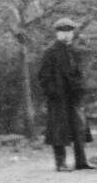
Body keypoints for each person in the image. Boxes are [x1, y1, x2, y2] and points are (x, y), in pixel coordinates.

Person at [38, 18, 94, 171]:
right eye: (63, 31)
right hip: (58, 98)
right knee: (59, 131)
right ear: (57, 33)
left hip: (74, 97)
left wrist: (81, 88)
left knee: (79, 129)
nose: (67, 35)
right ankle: (60, 163)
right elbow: (43, 76)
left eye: (70, 31)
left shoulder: (74, 51)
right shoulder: (50, 52)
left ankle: (81, 162)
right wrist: (53, 92)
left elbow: (80, 72)